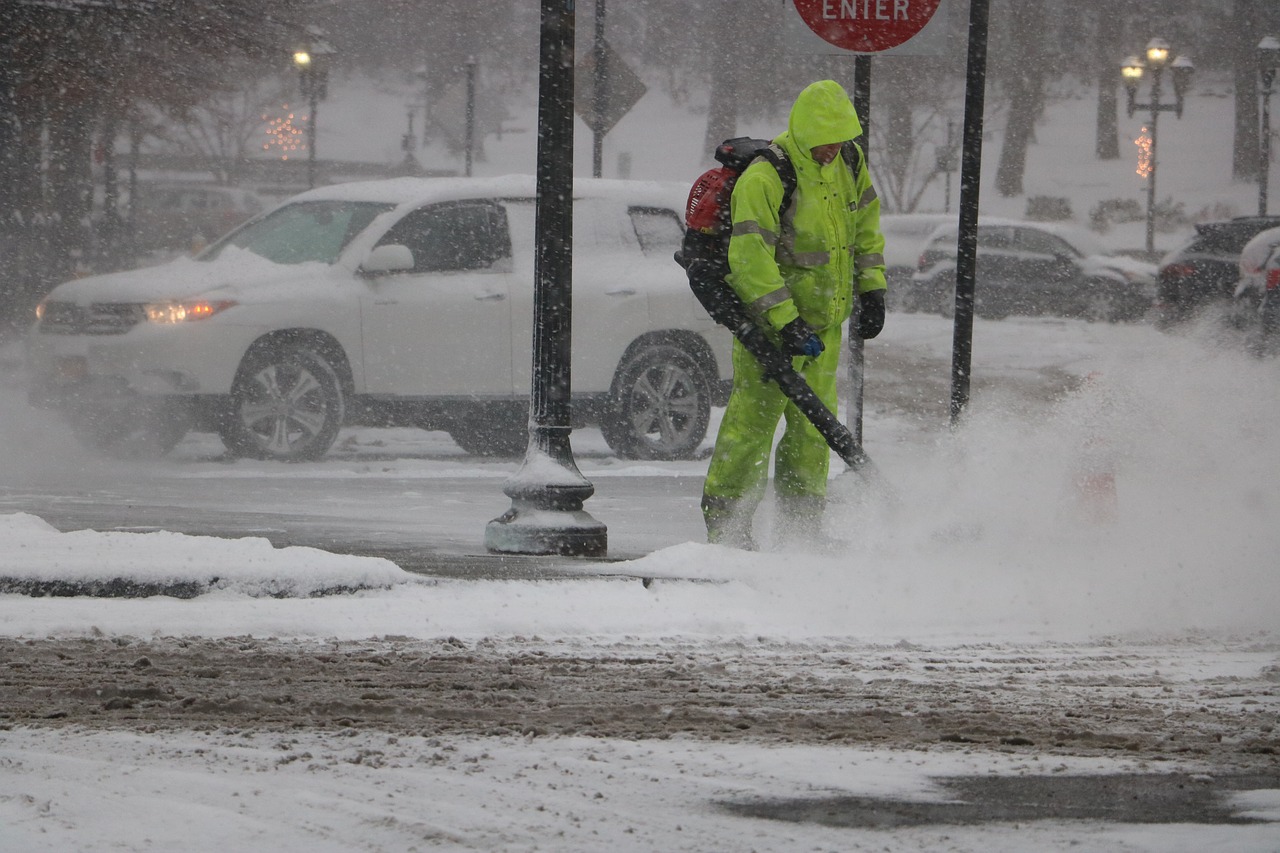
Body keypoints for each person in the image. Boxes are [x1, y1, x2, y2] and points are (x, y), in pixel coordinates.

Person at [701, 79, 886, 550]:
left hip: (824, 325)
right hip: (771, 328)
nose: (832, 150)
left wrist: (873, 289)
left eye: (840, 140)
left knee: (812, 431)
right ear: (804, 133)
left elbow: (864, 227)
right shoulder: (768, 176)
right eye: (825, 141)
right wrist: (785, 321)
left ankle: (802, 531)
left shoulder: (848, 162)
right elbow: (750, 259)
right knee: (752, 427)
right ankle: (728, 528)